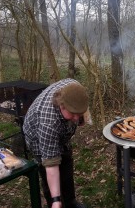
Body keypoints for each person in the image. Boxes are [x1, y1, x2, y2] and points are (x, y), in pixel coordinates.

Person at [23, 78, 89, 208]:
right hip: (37, 138)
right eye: (73, 113)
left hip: (60, 133)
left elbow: (81, 106)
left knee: (66, 162)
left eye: (78, 113)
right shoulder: (48, 123)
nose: (76, 118)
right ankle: (55, 203)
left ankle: (71, 202)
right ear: (61, 105)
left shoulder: (75, 88)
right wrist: (56, 200)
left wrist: (81, 116)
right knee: (50, 168)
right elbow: (51, 165)